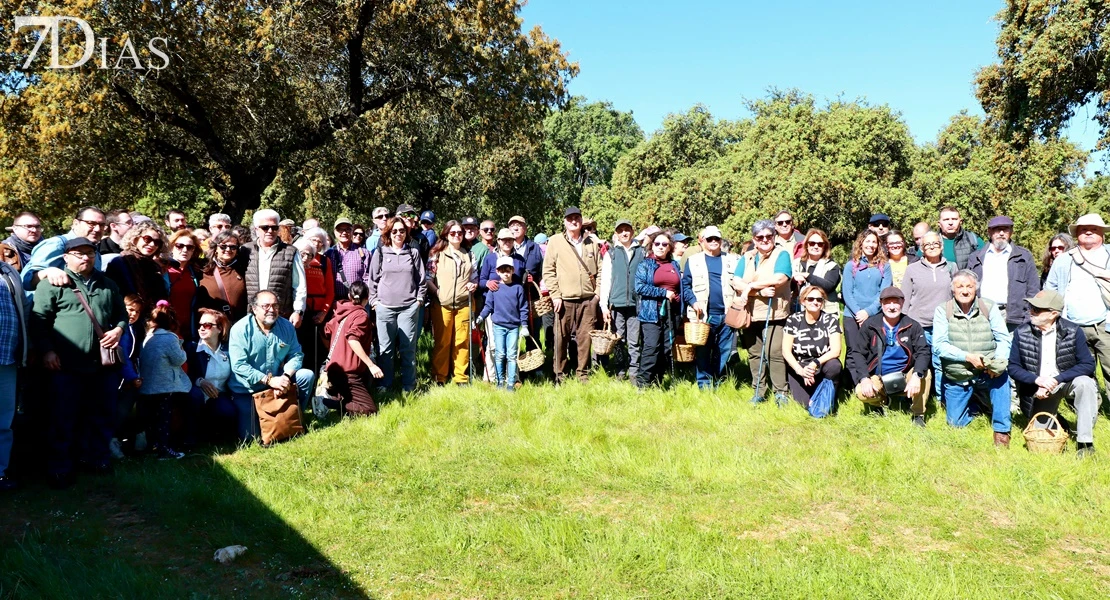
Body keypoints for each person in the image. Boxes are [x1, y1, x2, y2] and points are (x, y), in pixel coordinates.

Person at [31, 237, 126, 488]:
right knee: (63, 417)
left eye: (90, 253)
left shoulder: (108, 284)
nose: (85, 257)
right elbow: (39, 321)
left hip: (102, 366)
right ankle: (60, 468)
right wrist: (47, 351)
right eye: (79, 253)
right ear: (66, 257)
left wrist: (118, 330)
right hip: (65, 365)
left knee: (102, 415)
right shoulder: (53, 284)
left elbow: (121, 314)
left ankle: (98, 460)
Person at [1007, 290, 1098, 457]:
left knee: (1086, 383)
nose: (1031, 311)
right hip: (1038, 389)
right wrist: (1037, 380)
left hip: (1065, 382)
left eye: (1037, 309)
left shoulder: (1073, 331)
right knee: (1043, 433)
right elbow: (1013, 367)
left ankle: (1085, 443)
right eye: (1031, 307)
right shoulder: (1021, 332)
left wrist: (1056, 380)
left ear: (1053, 314)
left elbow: (1087, 364)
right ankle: (1062, 424)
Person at [933, 270, 1013, 446]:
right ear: (953, 289)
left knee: (1002, 379)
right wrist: (967, 357)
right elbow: (938, 345)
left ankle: (1001, 430)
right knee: (955, 424)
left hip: (988, 370)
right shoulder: (942, 310)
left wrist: (998, 363)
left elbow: (1003, 338)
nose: (965, 291)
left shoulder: (989, 307)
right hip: (959, 373)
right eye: (959, 286)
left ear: (976, 288)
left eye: (969, 286)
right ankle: (976, 402)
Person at [229, 290, 315, 440]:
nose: (272, 310)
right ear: (254, 309)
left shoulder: (287, 326)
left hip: (277, 382)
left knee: (306, 375)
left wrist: (286, 376)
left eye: (275, 306)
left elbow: (296, 355)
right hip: (247, 389)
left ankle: (294, 417)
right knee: (251, 438)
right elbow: (239, 365)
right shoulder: (240, 329)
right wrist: (269, 380)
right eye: (266, 306)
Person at [848, 286, 931, 426]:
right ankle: (882, 402)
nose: (892, 307)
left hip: (905, 374)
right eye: (887, 302)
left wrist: (916, 376)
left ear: (902, 303)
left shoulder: (913, 325)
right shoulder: (870, 325)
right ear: (881, 304)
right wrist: (864, 378)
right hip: (879, 375)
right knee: (861, 391)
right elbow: (858, 353)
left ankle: (918, 415)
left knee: (925, 374)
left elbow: (923, 352)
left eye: (896, 302)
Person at [1044, 213, 1110, 387]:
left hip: (1106, 325)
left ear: (1102, 233)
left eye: (1093, 229)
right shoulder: (1064, 260)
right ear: (1077, 234)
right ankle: (1089, 412)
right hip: (1073, 326)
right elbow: (1050, 291)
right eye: (1084, 229)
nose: (1088, 232)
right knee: (1081, 376)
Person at [733, 219, 793, 401]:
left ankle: (780, 392)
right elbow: (736, 282)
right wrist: (758, 291)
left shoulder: (781, 254)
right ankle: (758, 391)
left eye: (769, 236)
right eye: (760, 237)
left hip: (774, 313)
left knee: (774, 353)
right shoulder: (747, 257)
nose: (765, 240)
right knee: (754, 353)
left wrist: (750, 286)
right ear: (754, 239)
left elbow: (780, 279)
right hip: (750, 314)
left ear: (774, 237)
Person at [542, 206, 602, 384]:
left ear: (582, 220)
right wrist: (555, 295)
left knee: (584, 339)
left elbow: (600, 270)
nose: (573, 221)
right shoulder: (555, 241)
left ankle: (582, 373)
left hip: (588, 300)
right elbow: (548, 270)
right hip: (564, 300)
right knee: (561, 338)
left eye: (577, 218)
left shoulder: (591, 242)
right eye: (570, 218)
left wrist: (596, 296)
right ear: (564, 222)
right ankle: (559, 373)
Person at [367, 217, 427, 392]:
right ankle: (385, 384)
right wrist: (375, 302)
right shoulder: (380, 252)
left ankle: (409, 384)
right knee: (385, 349)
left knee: (408, 348)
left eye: (402, 231)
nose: (398, 234)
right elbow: (372, 280)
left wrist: (419, 300)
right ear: (388, 233)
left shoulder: (413, 253)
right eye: (394, 231)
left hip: (408, 308)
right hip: (384, 308)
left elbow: (421, 281)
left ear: (406, 233)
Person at [636, 232, 699, 388]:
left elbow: (682, 287)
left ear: (670, 247)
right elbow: (639, 287)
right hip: (652, 313)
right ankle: (643, 384)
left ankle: (657, 382)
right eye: (657, 244)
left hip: (673, 313)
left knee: (665, 350)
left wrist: (692, 301)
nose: (660, 247)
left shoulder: (674, 265)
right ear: (652, 245)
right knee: (651, 348)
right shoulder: (645, 265)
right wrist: (663, 293)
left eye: (664, 244)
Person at [901, 231, 955, 398]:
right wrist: (904, 325)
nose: (932, 247)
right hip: (918, 325)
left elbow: (956, 295)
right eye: (927, 245)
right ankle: (916, 397)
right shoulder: (912, 269)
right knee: (918, 362)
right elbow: (905, 298)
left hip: (943, 325)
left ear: (941, 246)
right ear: (921, 249)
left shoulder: (951, 267)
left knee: (940, 363)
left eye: (935, 243)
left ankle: (940, 398)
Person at [966, 215, 1040, 332]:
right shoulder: (976, 257)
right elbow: (968, 288)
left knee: (1012, 350)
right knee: (985, 350)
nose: (1001, 233)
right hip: (982, 315)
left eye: (1005, 229)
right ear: (989, 232)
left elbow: (1033, 289)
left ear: (1011, 232)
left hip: (1014, 317)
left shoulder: (1024, 256)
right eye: (997, 229)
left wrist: (1028, 316)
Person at [138, 301, 190, 459]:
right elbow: (179, 359)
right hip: (164, 387)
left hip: (147, 386)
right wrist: (182, 348)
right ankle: (164, 450)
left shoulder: (147, 338)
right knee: (163, 421)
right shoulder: (170, 338)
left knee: (150, 419)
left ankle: (151, 447)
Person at [322, 282, 383, 415]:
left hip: (333, 368)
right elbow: (353, 339)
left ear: (349, 295)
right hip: (348, 373)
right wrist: (371, 365)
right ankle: (327, 403)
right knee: (369, 410)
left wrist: (335, 352)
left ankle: (334, 397)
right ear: (367, 298)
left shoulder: (340, 311)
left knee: (351, 396)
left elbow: (325, 332)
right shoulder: (361, 315)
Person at [428, 221, 478, 385]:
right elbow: (428, 279)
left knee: (462, 341)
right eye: (453, 233)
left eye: (460, 233)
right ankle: (440, 377)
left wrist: (474, 284)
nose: (457, 235)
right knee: (442, 342)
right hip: (442, 305)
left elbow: (474, 277)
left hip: (464, 304)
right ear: (446, 234)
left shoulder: (470, 255)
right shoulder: (436, 254)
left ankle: (461, 377)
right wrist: (438, 293)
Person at [681, 226, 731, 390]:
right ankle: (704, 384)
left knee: (724, 349)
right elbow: (685, 286)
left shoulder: (731, 260)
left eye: (716, 239)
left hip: (727, 313)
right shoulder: (693, 261)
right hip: (703, 315)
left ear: (721, 241)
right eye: (709, 239)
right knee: (703, 350)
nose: (713, 242)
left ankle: (718, 378)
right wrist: (693, 302)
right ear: (702, 242)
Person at [22, 206, 106, 294]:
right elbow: (27, 281)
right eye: (91, 223)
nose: (97, 229)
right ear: (76, 223)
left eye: (102, 225)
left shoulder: (95, 252)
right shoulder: (57, 244)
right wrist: (48, 272)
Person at [479, 229, 527, 381]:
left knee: (512, 349)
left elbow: (521, 282)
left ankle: (513, 379)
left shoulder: (519, 259)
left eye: (510, 240)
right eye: (503, 240)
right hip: (493, 307)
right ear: (498, 241)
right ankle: (491, 377)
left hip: (512, 309)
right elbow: (480, 280)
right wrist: (487, 283)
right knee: (493, 346)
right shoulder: (490, 258)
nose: (507, 242)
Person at [783, 285, 842, 408]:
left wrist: (815, 363)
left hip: (821, 363)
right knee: (803, 405)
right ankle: (812, 391)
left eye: (819, 299)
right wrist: (800, 371)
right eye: (810, 299)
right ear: (803, 301)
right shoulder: (793, 320)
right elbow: (786, 351)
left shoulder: (830, 319)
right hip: (799, 366)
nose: (815, 302)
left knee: (835, 366)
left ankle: (828, 395)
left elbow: (836, 350)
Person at [599, 219, 644, 381]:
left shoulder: (641, 252)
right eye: (621, 230)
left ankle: (634, 371)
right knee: (618, 340)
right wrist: (604, 306)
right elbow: (606, 281)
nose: (624, 233)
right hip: (616, 304)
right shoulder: (611, 253)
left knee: (634, 341)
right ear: (616, 234)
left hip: (635, 304)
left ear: (632, 232)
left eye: (627, 230)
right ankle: (620, 370)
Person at [244, 209, 306, 326]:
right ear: (256, 230)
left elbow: (299, 286)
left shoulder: (290, 252)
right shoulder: (245, 250)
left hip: (280, 315)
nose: (270, 231)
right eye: (265, 228)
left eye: (274, 227)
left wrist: (298, 311)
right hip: (251, 316)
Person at [841, 229, 891, 370]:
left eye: (874, 242)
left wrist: (868, 312)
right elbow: (847, 292)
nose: (871, 245)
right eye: (867, 241)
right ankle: (852, 384)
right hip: (852, 315)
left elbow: (884, 293)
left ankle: (872, 380)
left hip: (875, 314)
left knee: (873, 349)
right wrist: (859, 313)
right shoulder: (851, 265)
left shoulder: (884, 266)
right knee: (853, 350)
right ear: (861, 243)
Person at [188, 308, 240, 441]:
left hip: (219, 395)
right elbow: (184, 374)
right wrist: (200, 381)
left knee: (228, 412)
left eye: (207, 325)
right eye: (200, 325)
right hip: (195, 395)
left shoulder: (229, 350)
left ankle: (213, 433)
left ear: (219, 329)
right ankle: (191, 437)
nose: (201, 329)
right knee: (195, 395)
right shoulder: (192, 348)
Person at [0, 254, 29, 490]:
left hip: (7, 358)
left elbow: (24, 310)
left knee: (3, 421)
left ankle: (0, 473)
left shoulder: (9, 273)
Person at [294, 228, 335, 371]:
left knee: (316, 349)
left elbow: (330, 290)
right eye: (314, 240)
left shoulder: (325, 261)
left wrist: (324, 312)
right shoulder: (297, 257)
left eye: (320, 241)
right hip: (300, 310)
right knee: (299, 345)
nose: (317, 243)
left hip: (318, 311)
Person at [104, 222, 169, 312]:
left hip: (150, 319)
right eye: (147, 239)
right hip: (126, 317)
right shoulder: (119, 262)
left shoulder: (154, 267)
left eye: (157, 242)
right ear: (135, 239)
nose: (152, 244)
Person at [109, 294, 144, 459]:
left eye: (137, 312)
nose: (133, 314)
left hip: (122, 378)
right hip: (118, 379)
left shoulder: (132, 329)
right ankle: (112, 442)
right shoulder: (121, 330)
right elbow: (123, 356)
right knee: (120, 412)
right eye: (130, 310)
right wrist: (132, 377)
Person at [197, 230, 249, 323]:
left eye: (233, 247)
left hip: (238, 324)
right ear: (215, 248)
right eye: (223, 246)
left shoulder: (244, 269)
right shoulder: (203, 269)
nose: (228, 250)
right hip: (211, 325)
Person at [792, 228, 840, 315]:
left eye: (820, 244)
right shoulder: (796, 263)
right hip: (800, 311)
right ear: (806, 245)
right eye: (812, 243)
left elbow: (828, 286)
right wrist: (794, 280)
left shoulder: (832, 266)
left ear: (824, 247)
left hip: (826, 313)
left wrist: (807, 276)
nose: (816, 246)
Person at [166, 230, 203, 341]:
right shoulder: (163, 270)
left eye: (189, 247)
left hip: (190, 330)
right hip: (167, 328)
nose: (185, 250)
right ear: (171, 247)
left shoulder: (195, 272)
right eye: (179, 246)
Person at [325, 217, 372, 301]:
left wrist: (363, 297)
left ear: (352, 231)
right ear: (335, 232)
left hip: (358, 302)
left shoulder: (364, 253)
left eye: (347, 229)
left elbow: (368, 277)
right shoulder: (329, 254)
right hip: (336, 303)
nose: (344, 232)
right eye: (340, 229)